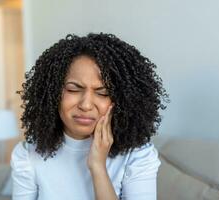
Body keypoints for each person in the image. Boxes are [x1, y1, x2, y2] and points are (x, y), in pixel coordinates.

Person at [11, 33, 169, 200]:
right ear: (52, 93)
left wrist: (98, 167)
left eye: (103, 93)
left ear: (122, 100)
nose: (86, 105)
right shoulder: (27, 156)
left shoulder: (138, 155)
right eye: (73, 89)